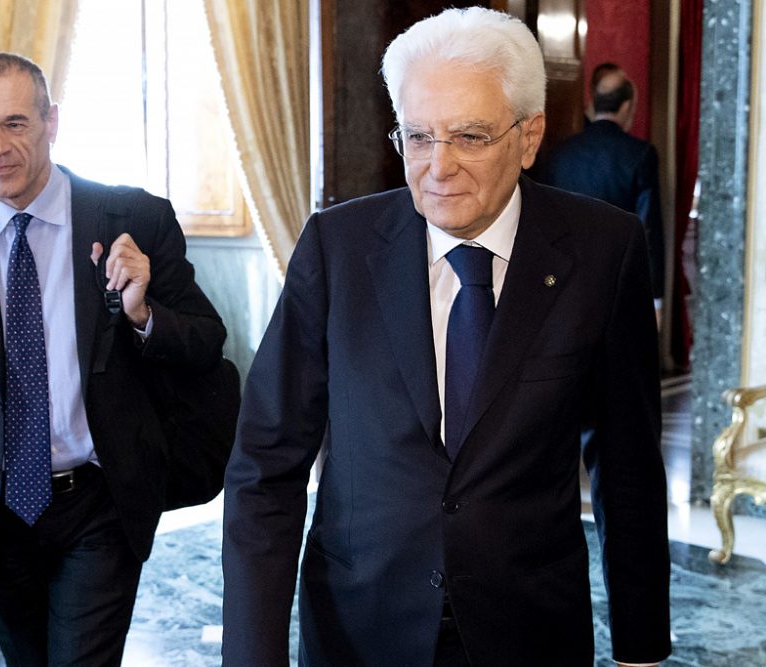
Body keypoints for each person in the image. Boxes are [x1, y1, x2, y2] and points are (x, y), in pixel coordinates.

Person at [221, 8, 670, 667]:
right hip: (360, 627)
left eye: (470, 136)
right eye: (419, 136)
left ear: (529, 135)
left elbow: (627, 459)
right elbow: (267, 461)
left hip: (530, 629)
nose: (439, 166)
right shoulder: (336, 249)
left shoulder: (604, 251)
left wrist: (640, 646)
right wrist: (252, 656)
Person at [0, 52, 226, 665]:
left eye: (15, 123)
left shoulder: (134, 218)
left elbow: (205, 342)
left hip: (102, 500)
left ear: (51, 122)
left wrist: (143, 314)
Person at [544, 70, 666, 321]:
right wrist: (655, 297)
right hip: (618, 280)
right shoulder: (640, 155)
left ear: (594, 103)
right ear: (627, 105)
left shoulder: (560, 153)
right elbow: (648, 229)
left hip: (563, 280)